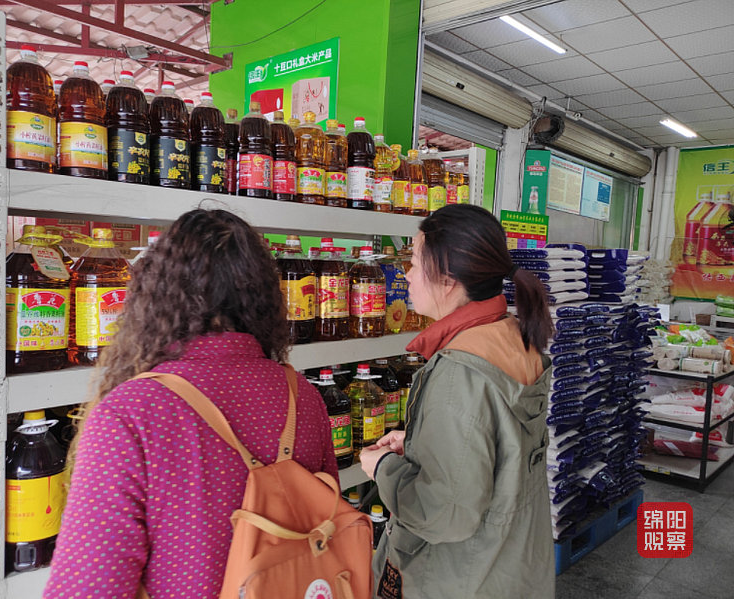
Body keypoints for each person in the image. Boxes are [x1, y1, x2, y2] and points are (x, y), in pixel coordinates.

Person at [44, 209, 337, 599]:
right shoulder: (302, 394)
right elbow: (327, 522)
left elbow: (88, 587)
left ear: (155, 296)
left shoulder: (130, 413)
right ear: (265, 298)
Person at [360, 204, 555, 598]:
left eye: (416, 262)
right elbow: (497, 450)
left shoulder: (460, 370)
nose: (407, 274)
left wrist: (383, 468)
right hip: (509, 569)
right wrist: (419, 445)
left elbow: (445, 513)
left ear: (447, 278)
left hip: (462, 578)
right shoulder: (510, 332)